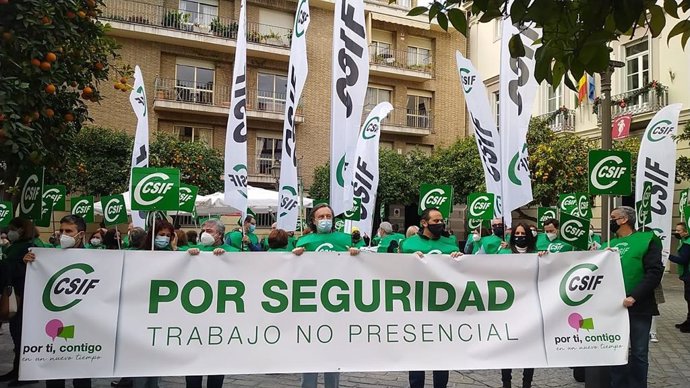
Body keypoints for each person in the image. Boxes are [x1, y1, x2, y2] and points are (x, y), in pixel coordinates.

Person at [292, 203, 360, 388]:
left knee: (333, 351)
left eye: (328, 216)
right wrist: (295, 258)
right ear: (313, 220)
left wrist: (356, 253)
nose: (325, 220)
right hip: (311, 303)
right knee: (310, 349)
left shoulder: (346, 239)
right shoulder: (304, 241)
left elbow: (364, 261)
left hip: (336, 303)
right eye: (321, 217)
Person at [24, 215, 92, 388]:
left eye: (69, 231)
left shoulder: (95, 257)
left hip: (84, 325)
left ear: (81, 234)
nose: (63, 235)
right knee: (54, 370)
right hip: (55, 322)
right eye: (61, 230)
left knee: (82, 373)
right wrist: (29, 263)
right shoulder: (48, 255)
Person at [399, 208, 461, 388]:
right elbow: (396, 271)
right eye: (435, 221)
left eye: (441, 220)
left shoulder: (451, 244)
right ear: (424, 223)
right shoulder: (408, 244)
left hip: (444, 307)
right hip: (417, 306)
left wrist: (460, 259)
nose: (440, 224)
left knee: (442, 355)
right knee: (417, 354)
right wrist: (406, 260)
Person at [606, 206, 663, 388]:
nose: (610, 221)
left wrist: (634, 296)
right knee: (616, 350)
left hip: (639, 306)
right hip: (613, 308)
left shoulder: (647, 240)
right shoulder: (608, 243)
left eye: (612, 217)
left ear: (623, 220)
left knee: (638, 352)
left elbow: (654, 272)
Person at [498, 222, 537, 388]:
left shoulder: (537, 254)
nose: (519, 236)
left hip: (530, 309)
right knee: (506, 348)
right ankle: (506, 382)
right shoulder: (504, 253)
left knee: (530, 348)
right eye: (517, 233)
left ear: (528, 235)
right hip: (509, 308)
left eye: (523, 233)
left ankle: (526, 382)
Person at [0, 218, 37, 386]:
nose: (9, 232)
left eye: (13, 229)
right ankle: (17, 369)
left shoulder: (31, 246)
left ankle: (25, 372)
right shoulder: (14, 246)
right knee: (16, 333)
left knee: (22, 334)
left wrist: (18, 265)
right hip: (13, 292)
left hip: (24, 295)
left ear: (22, 230)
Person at [669, 222, 690, 332]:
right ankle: (688, 321)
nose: (676, 232)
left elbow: (683, 260)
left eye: (679, 231)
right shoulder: (685, 241)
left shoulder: (687, 244)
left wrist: (668, 256)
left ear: (686, 231)